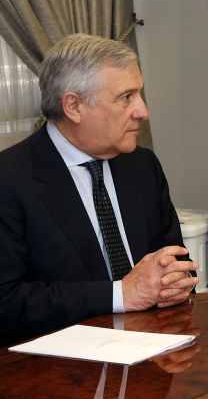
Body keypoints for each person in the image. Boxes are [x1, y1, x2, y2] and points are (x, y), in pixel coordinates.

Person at [0, 34, 198, 346]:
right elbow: (6, 302)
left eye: (139, 94)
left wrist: (176, 283)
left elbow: (172, 263)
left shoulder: (143, 166)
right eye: (126, 97)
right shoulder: (9, 180)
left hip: (150, 359)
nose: (142, 111)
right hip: (55, 371)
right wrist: (121, 294)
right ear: (74, 106)